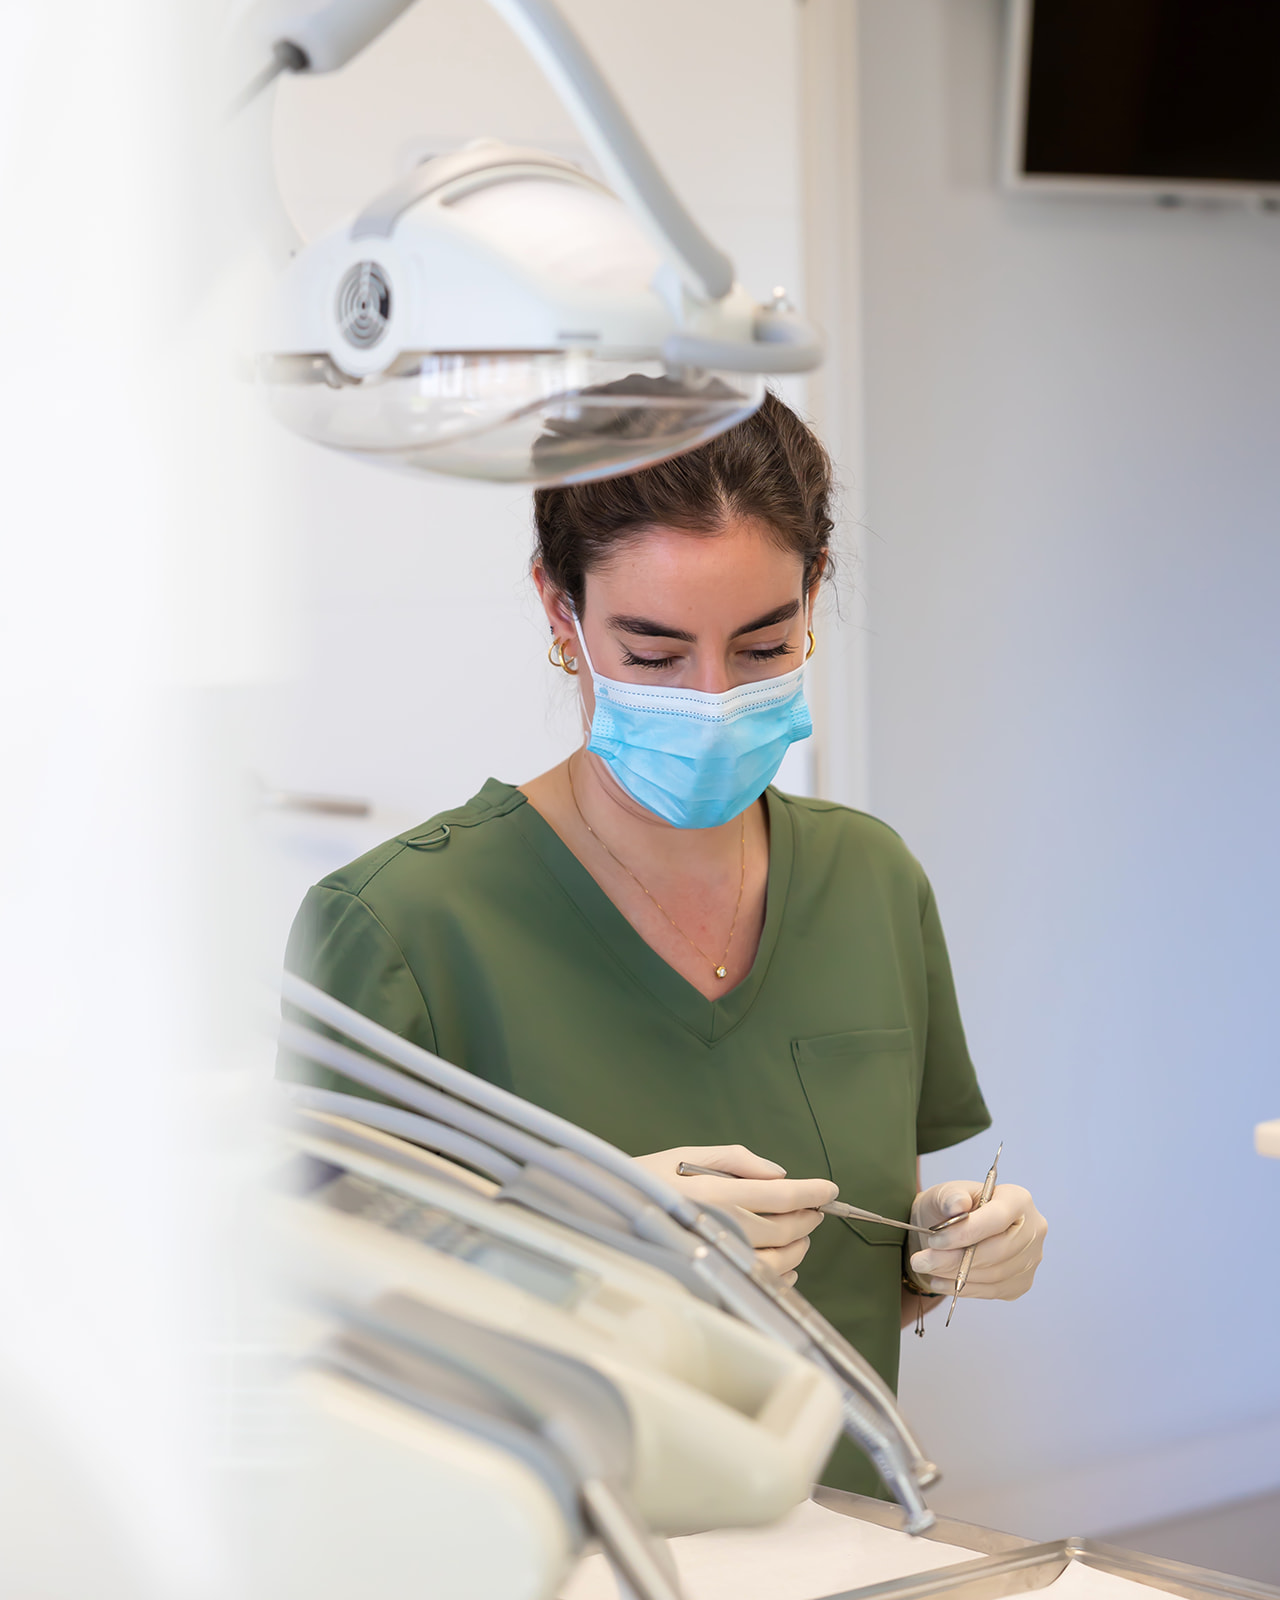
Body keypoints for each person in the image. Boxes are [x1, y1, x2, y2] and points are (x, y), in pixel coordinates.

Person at [279, 390, 1048, 1496]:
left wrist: (944, 1254)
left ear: (812, 594)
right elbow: (323, 1353)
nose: (712, 697)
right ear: (560, 611)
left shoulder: (870, 881)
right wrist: (578, 1247)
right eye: (651, 652)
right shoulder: (399, 925)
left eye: (761, 645)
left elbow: (855, 1291)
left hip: (841, 1548)